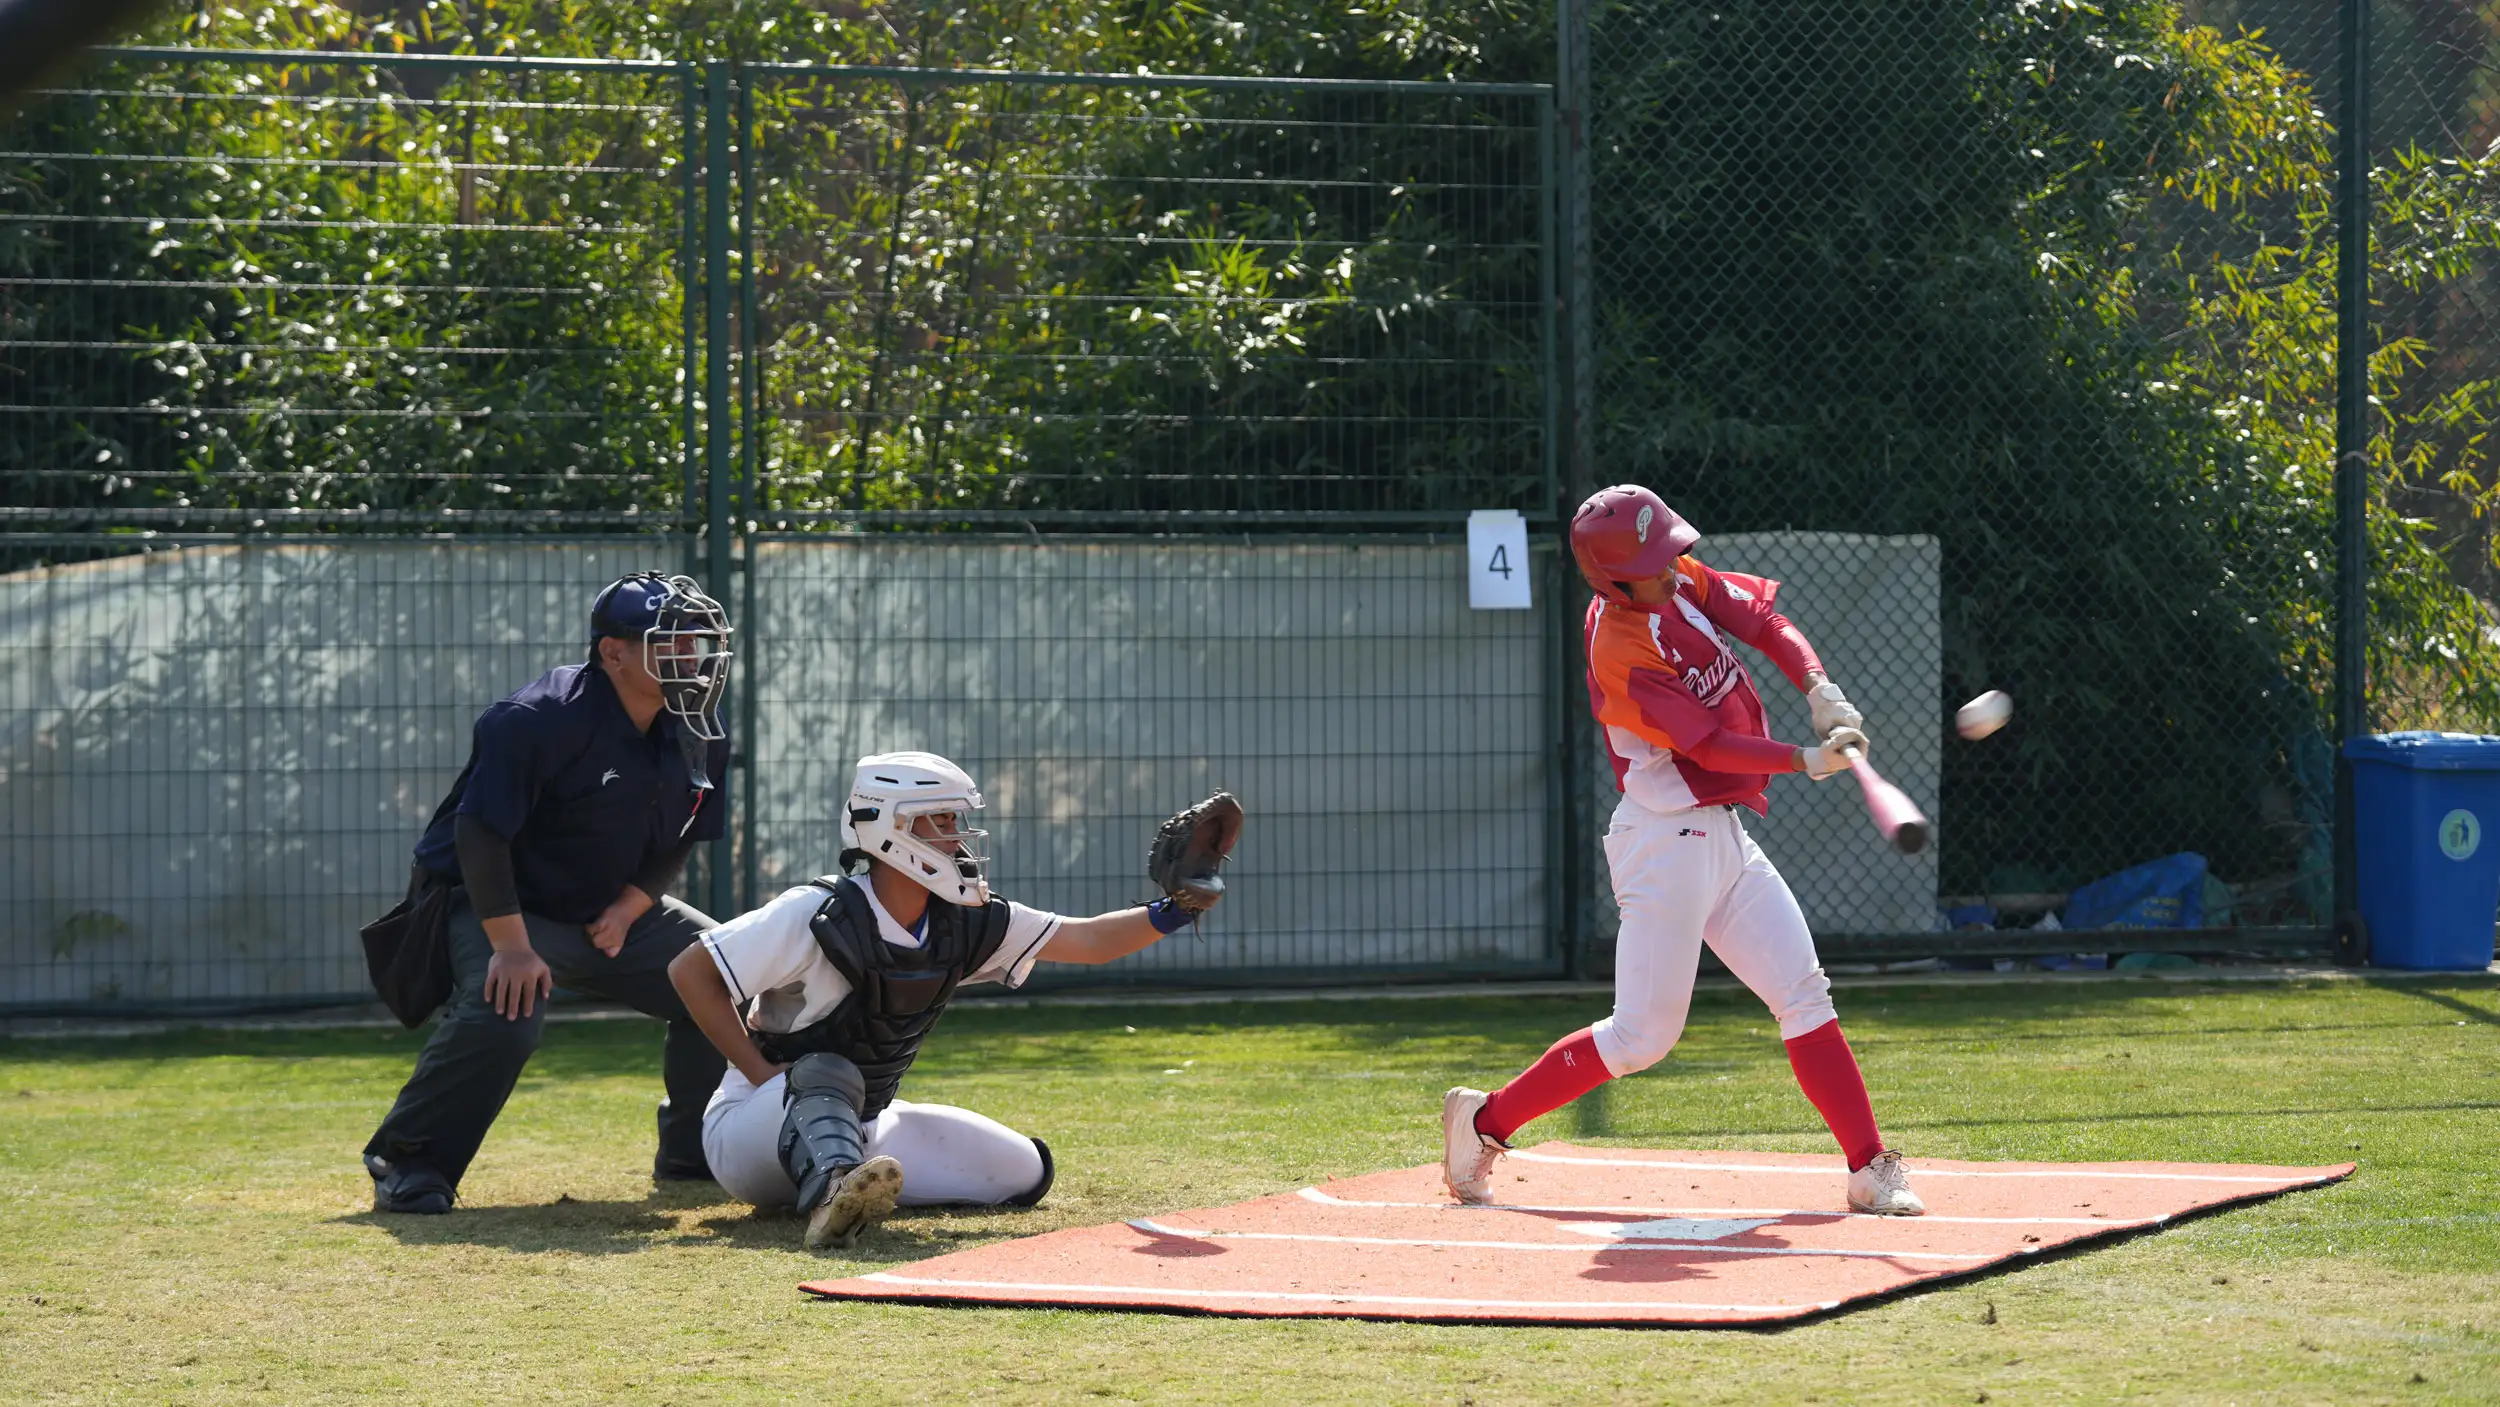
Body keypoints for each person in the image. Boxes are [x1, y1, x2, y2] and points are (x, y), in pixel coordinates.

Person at [1442, 485, 1926, 1216]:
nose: (1675, 564)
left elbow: (1761, 619)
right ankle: (1484, 1122)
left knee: (1802, 990)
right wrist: (1805, 759)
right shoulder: (1618, 648)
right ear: (1613, 577)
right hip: (1664, 841)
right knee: (1640, 1037)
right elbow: (1708, 745)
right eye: (1654, 558)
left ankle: (1867, 1164)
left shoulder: (1677, 580)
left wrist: (1817, 683)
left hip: (1720, 833)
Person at [668, 752, 1236, 1249]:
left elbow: (1088, 940)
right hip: (754, 1128)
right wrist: (762, 1072)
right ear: (889, 828)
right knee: (826, 1070)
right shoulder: (813, 913)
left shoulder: (965, 921)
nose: (957, 837)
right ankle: (832, 1201)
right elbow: (691, 971)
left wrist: (1177, 908)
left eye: (955, 819)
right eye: (939, 820)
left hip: (868, 1124)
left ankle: (851, 1179)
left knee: (1026, 1171)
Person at [362, 572, 736, 1214]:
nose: (688, 657)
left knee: (727, 974)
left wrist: (631, 906)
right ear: (612, 652)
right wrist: (509, 947)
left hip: (609, 908)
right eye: (668, 641)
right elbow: (480, 835)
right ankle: (410, 1160)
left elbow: (683, 829)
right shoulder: (538, 718)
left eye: (695, 642)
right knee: (506, 1007)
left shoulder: (698, 724)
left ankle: (693, 1151)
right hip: (497, 902)